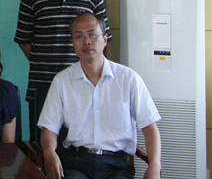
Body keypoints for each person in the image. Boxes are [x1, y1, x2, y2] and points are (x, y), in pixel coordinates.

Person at [14, 0, 111, 141]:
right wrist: (47, 61)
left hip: (85, 84)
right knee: (43, 148)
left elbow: (103, 41)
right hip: (43, 85)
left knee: (82, 146)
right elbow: (24, 40)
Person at [39, 13, 161, 179]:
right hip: (76, 163)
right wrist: (49, 153)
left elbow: (149, 127)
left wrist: (154, 166)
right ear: (72, 43)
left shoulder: (128, 79)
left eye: (92, 34)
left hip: (116, 165)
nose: (86, 41)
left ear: (104, 40)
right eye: (79, 36)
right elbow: (49, 129)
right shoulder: (62, 81)